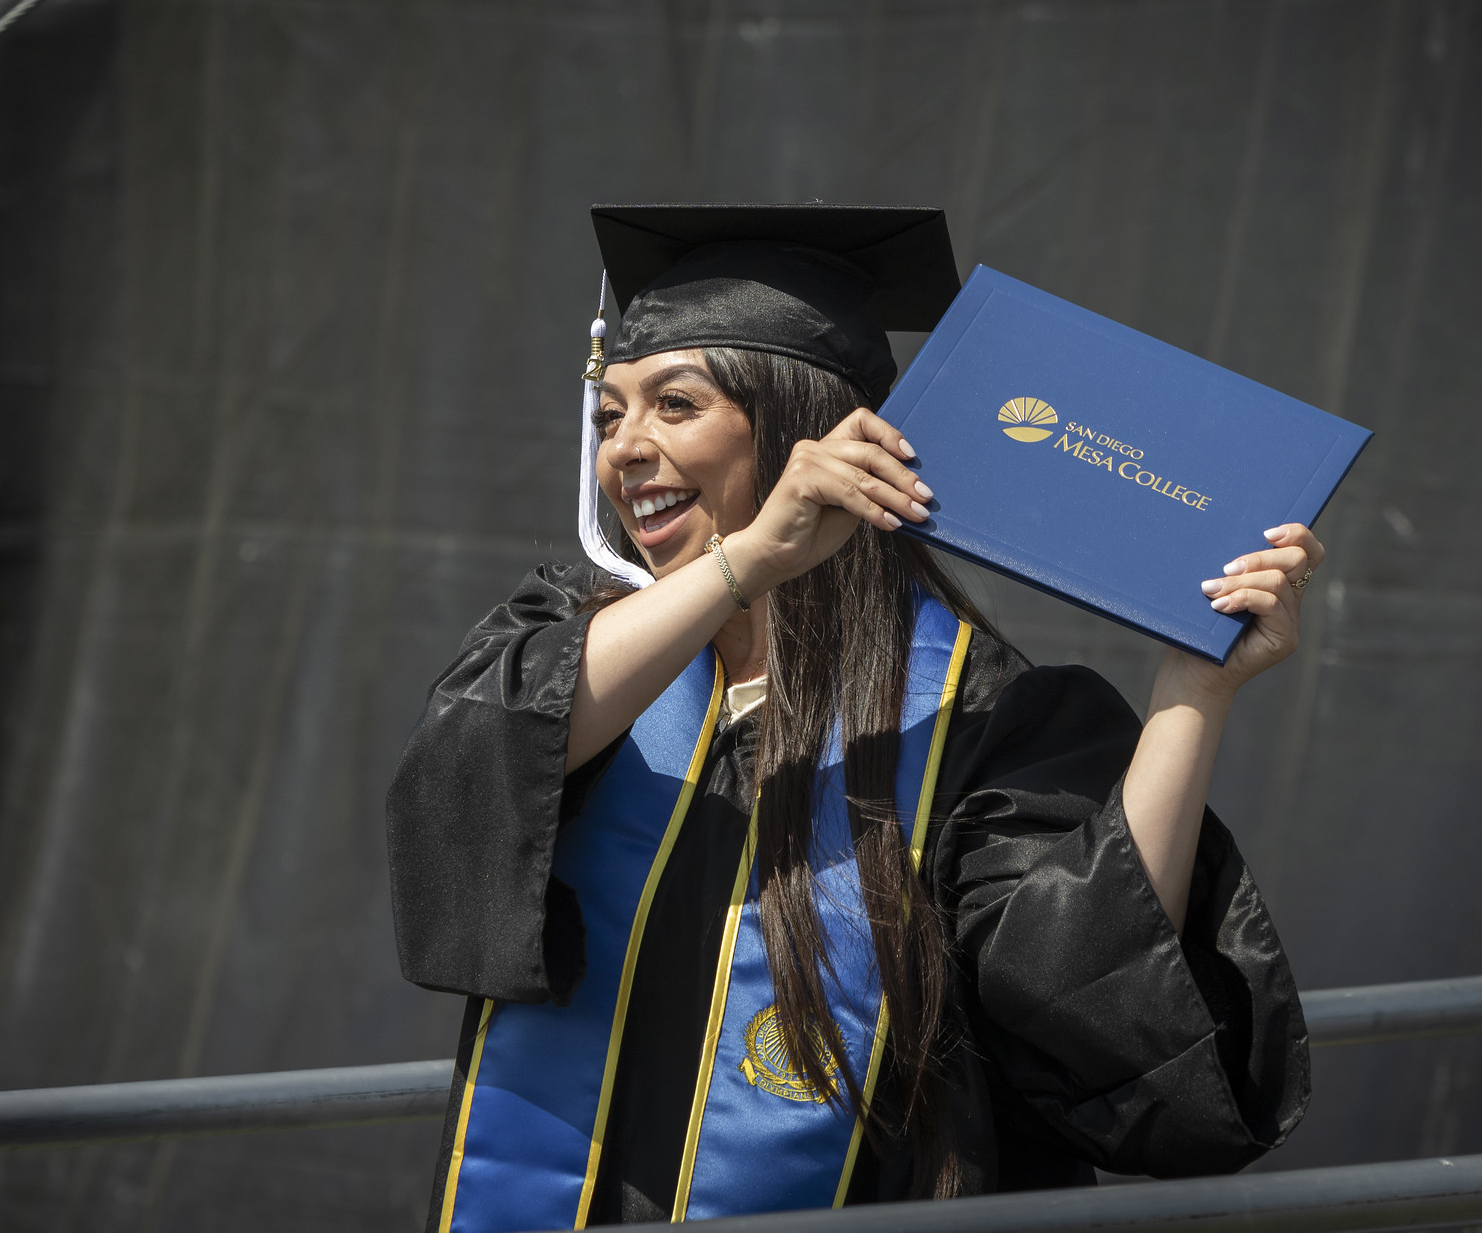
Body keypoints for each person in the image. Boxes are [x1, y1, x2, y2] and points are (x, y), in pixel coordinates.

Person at [388, 205, 1313, 1232]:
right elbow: (462, 777)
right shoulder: (575, 650)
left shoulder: (973, 715)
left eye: (673, 404)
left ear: (796, 427)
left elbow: (1086, 989)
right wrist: (744, 565)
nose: (625, 449)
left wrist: (1194, 691)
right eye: (609, 416)